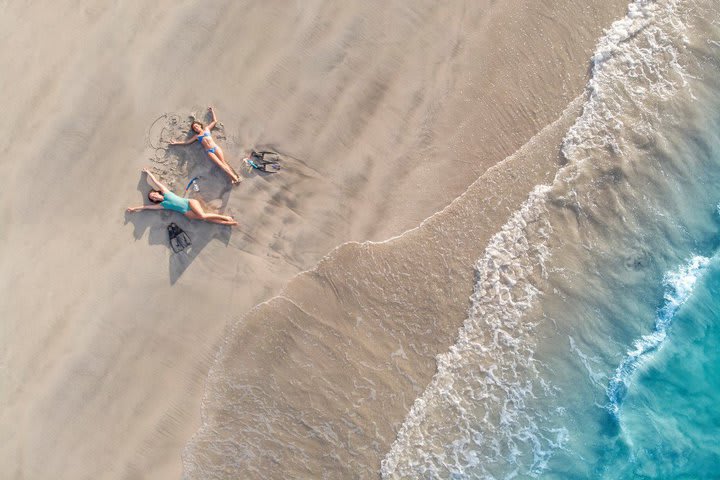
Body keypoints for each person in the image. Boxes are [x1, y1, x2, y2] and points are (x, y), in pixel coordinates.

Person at [127, 168, 238, 226]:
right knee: (206, 219)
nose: (154, 196)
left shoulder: (165, 192)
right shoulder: (161, 205)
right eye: (153, 198)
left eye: (154, 194)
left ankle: (226, 218)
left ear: (157, 193)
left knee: (203, 215)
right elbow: (147, 207)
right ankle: (228, 223)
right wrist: (134, 208)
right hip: (186, 213)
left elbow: (156, 182)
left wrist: (148, 173)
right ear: (154, 200)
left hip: (189, 203)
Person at [168, 106, 242, 184]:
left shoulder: (207, 129)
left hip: (215, 148)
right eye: (194, 128)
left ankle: (233, 178)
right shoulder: (197, 136)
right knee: (221, 164)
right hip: (209, 151)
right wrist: (176, 143)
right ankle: (234, 178)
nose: (196, 128)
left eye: (196, 126)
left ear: (200, 125)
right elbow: (187, 142)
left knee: (223, 163)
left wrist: (212, 111)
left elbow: (214, 121)